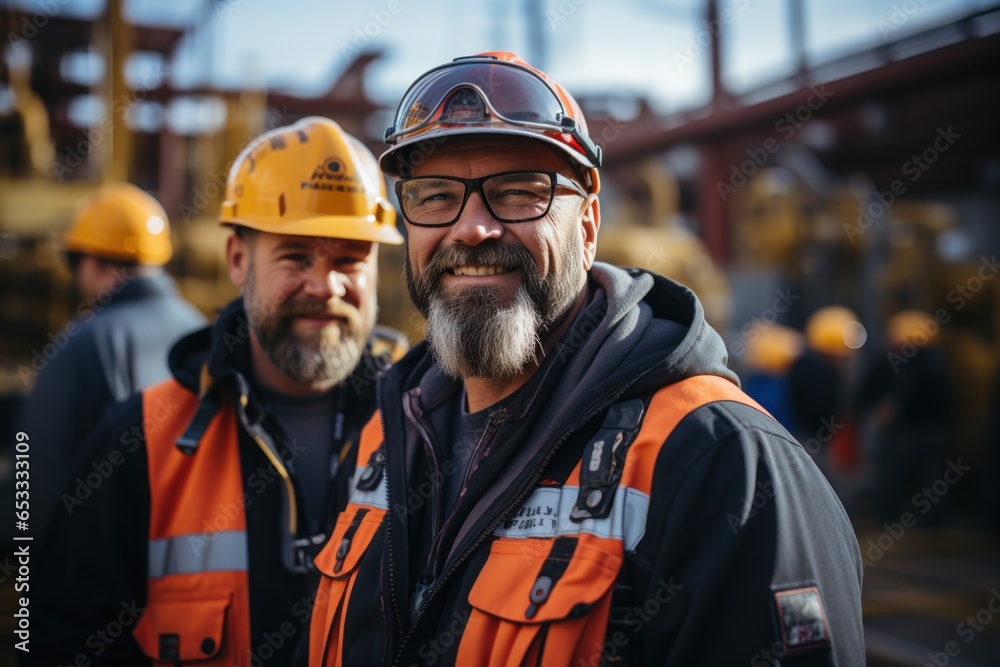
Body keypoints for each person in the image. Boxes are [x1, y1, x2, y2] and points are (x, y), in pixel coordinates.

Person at [307, 53, 865, 666]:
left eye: (518, 193)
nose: (471, 229)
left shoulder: (720, 464)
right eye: (436, 197)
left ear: (590, 225)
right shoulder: (381, 439)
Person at [27, 117, 404, 666]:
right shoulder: (143, 441)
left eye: (349, 259)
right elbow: (60, 636)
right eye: (296, 256)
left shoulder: (425, 430)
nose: (325, 286)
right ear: (237, 259)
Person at [20, 182, 205, 538]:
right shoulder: (200, 332)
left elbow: (36, 480)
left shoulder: (82, 344)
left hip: (99, 571)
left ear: (91, 261)